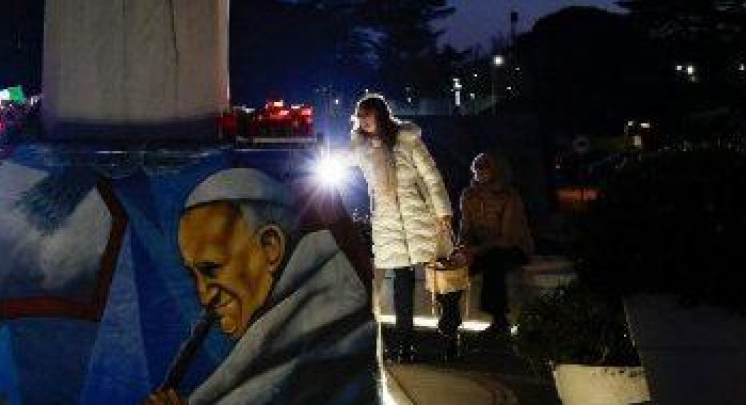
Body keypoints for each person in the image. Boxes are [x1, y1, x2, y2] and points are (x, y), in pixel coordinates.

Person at [143, 168, 376, 405]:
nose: (205, 297)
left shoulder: (329, 326)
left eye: (211, 269)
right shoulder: (279, 339)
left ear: (270, 247)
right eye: (194, 276)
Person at [346, 94, 457, 362]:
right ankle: (404, 345)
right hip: (389, 224)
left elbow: (432, 176)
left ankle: (450, 333)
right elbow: (342, 160)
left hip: (421, 217)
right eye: (360, 115)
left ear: (380, 114)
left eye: (367, 114)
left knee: (442, 279)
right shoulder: (361, 147)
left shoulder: (407, 139)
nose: (363, 120)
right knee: (401, 286)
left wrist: (443, 210)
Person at [457, 153, 533, 336]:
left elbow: (508, 237)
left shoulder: (509, 196)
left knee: (494, 263)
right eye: (477, 169)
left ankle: (499, 320)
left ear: (495, 171)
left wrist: (476, 250)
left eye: (485, 169)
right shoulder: (469, 195)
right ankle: (450, 318)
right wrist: (462, 248)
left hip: (513, 247)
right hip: (481, 248)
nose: (479, 173)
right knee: (454, 267)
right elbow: (465, 228)